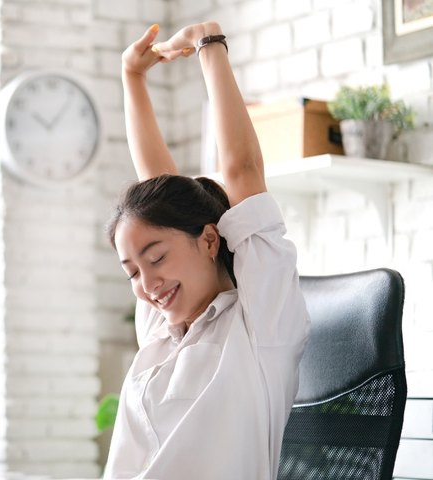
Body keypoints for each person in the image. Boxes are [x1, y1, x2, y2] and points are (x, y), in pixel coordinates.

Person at [104, 21, 311, 479]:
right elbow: (157, 195)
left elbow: (241, 169)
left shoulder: (261, 325)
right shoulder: (162, 330)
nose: (148, 284)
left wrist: (209, 44)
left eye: (156, 259)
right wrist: (132, 76)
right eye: (133, 272)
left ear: (210, 239)